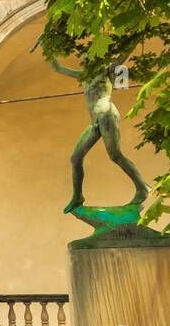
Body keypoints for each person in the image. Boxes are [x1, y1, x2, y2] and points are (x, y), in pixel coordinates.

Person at [50, 59, 150, 212]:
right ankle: (78, 196)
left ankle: (142, 188)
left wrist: (128, 38)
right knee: (76, 158)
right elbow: (57, 67)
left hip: (106, 115)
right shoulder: (83, 76)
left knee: (115, 155)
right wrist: (46, 48)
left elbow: (123, 55)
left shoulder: (106, 70)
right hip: (94, 121)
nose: (83, 60)